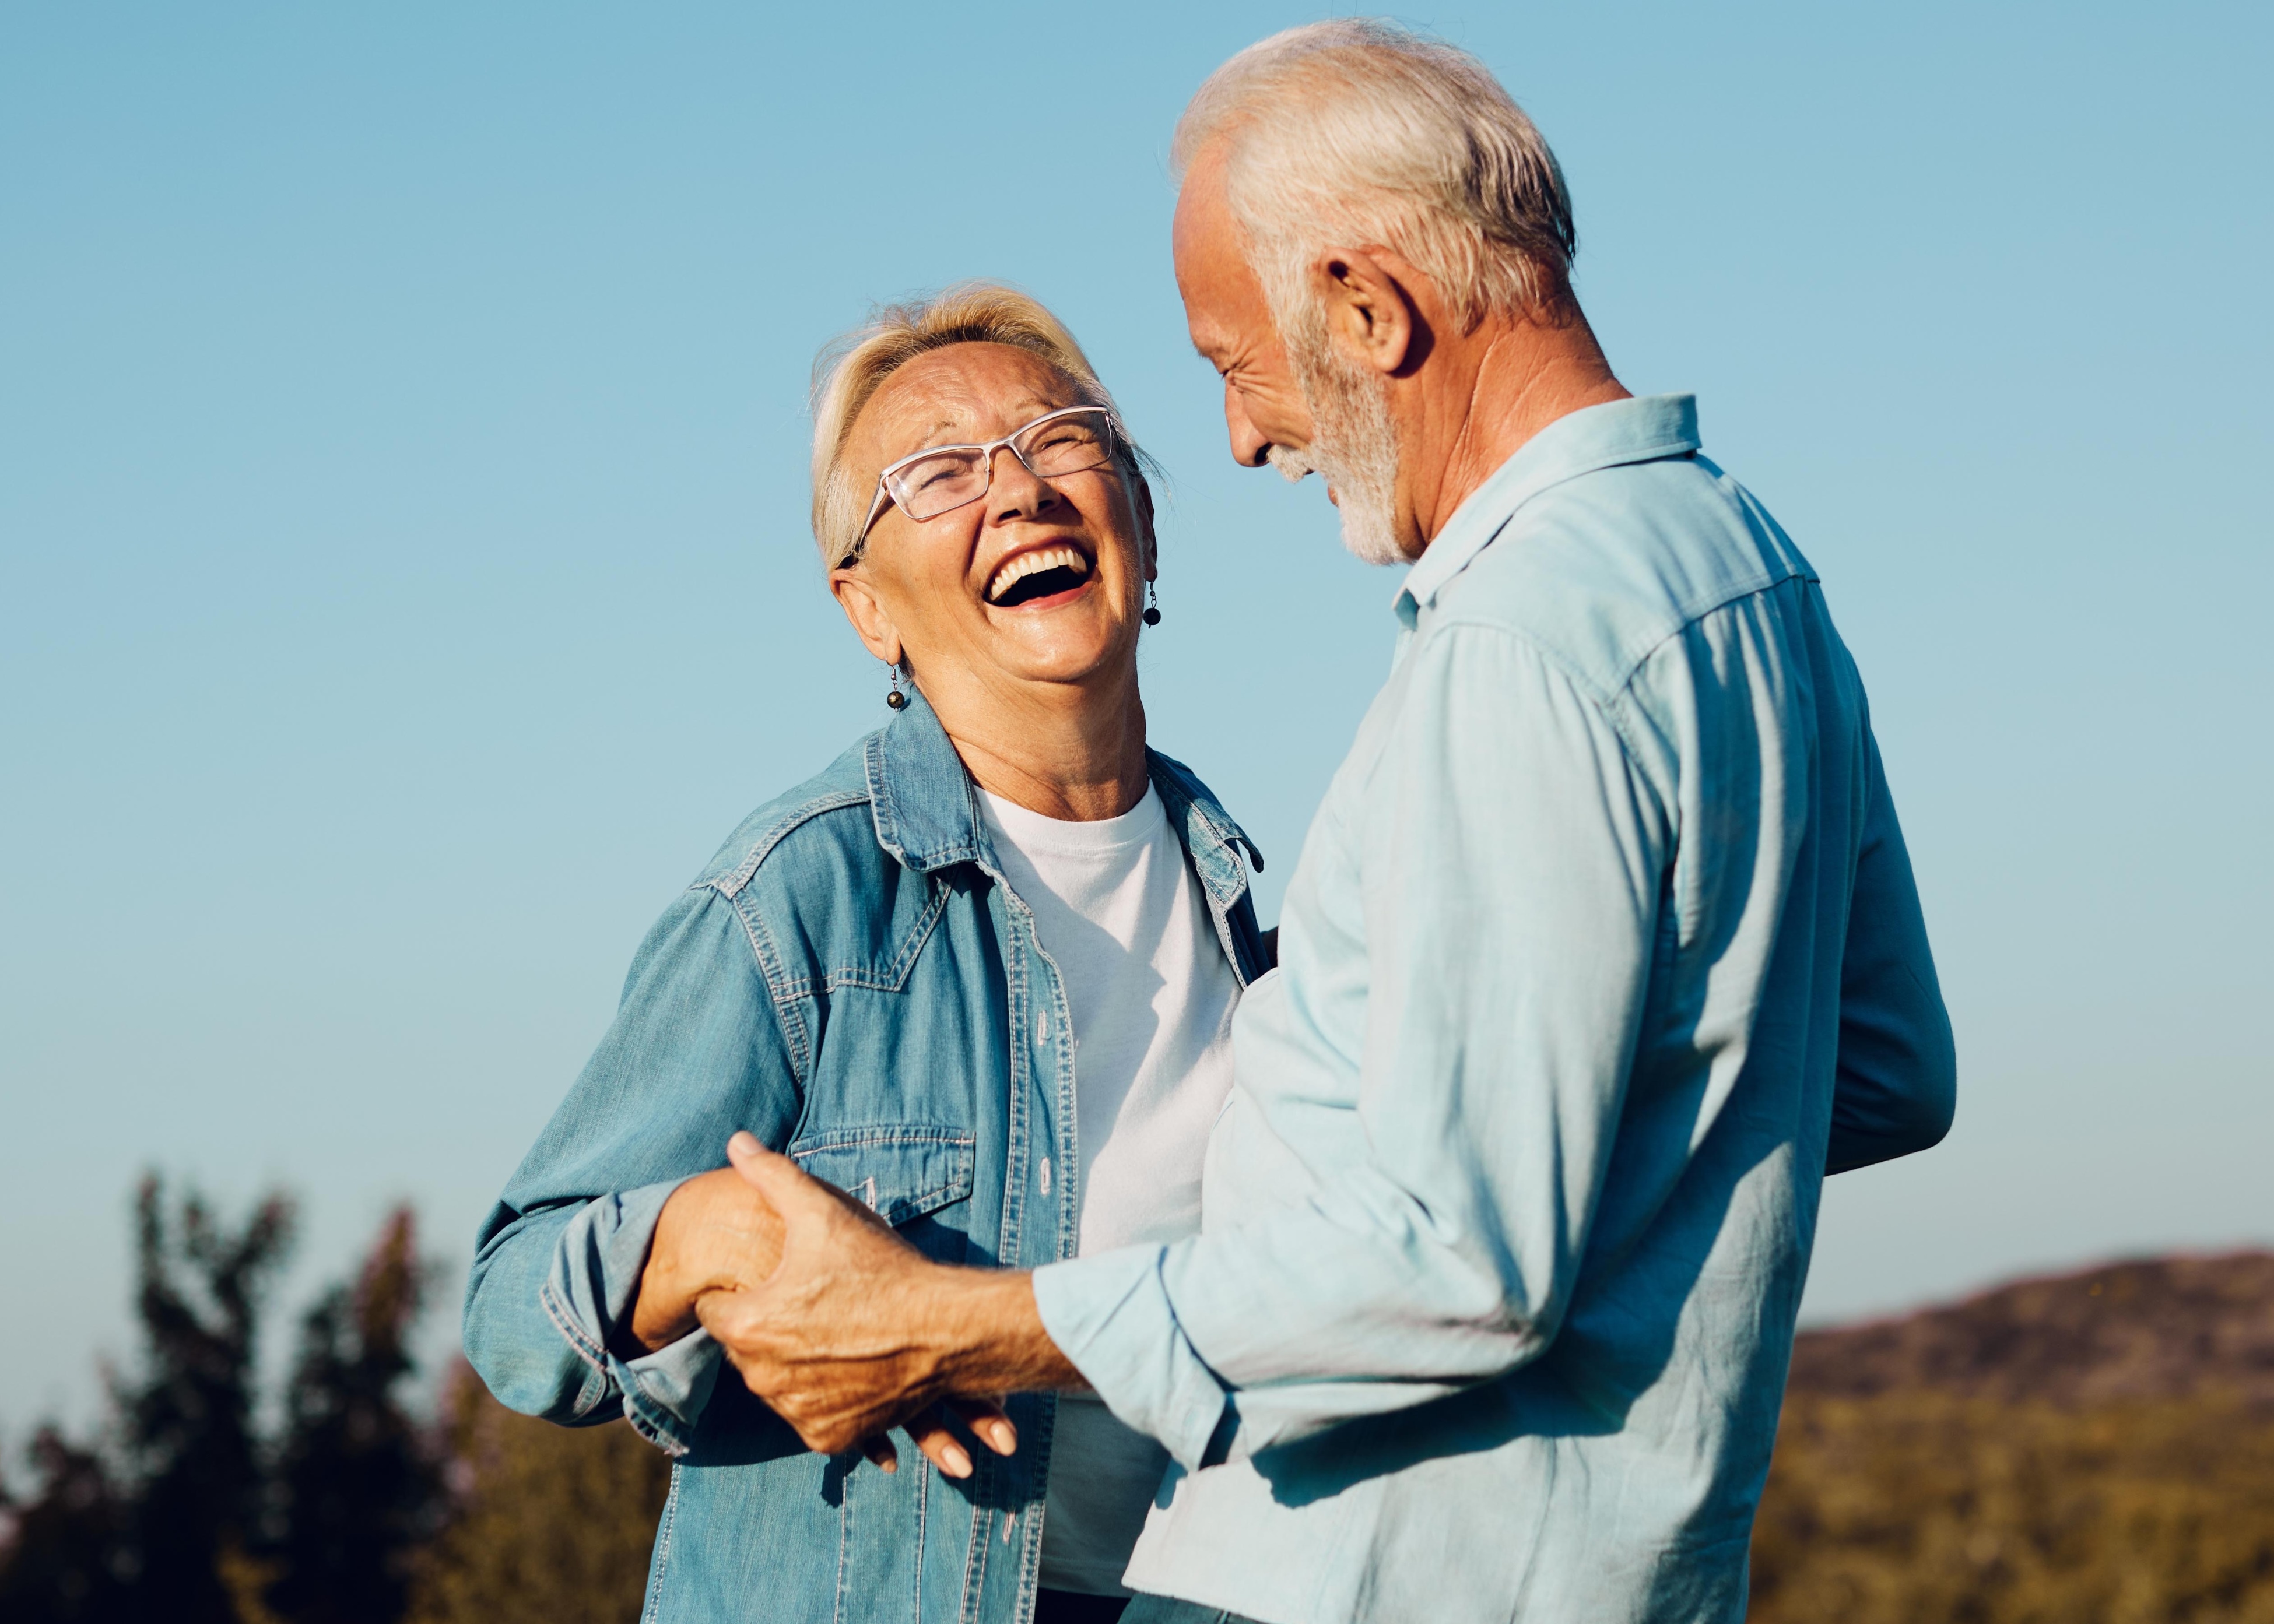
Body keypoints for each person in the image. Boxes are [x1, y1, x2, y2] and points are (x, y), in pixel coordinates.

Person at [690, 22, 1960, 1624]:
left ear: (1369, 307)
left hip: (1352, 1577)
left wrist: (950, 1323)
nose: (1239, 435)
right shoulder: (1751, 569)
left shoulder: (1516, 648)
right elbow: (1883, 1068)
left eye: (1236, 361)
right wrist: (1575, 1146)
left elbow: (1458, 1265)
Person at [462, 283, 1276, 1624]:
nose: (1017, 491)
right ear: (867, 609)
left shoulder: (1248, 903)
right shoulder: (803, 895)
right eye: (941, 470)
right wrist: (700, 1232)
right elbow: (510, 1303)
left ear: (1140, 517)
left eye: (1060, 438)